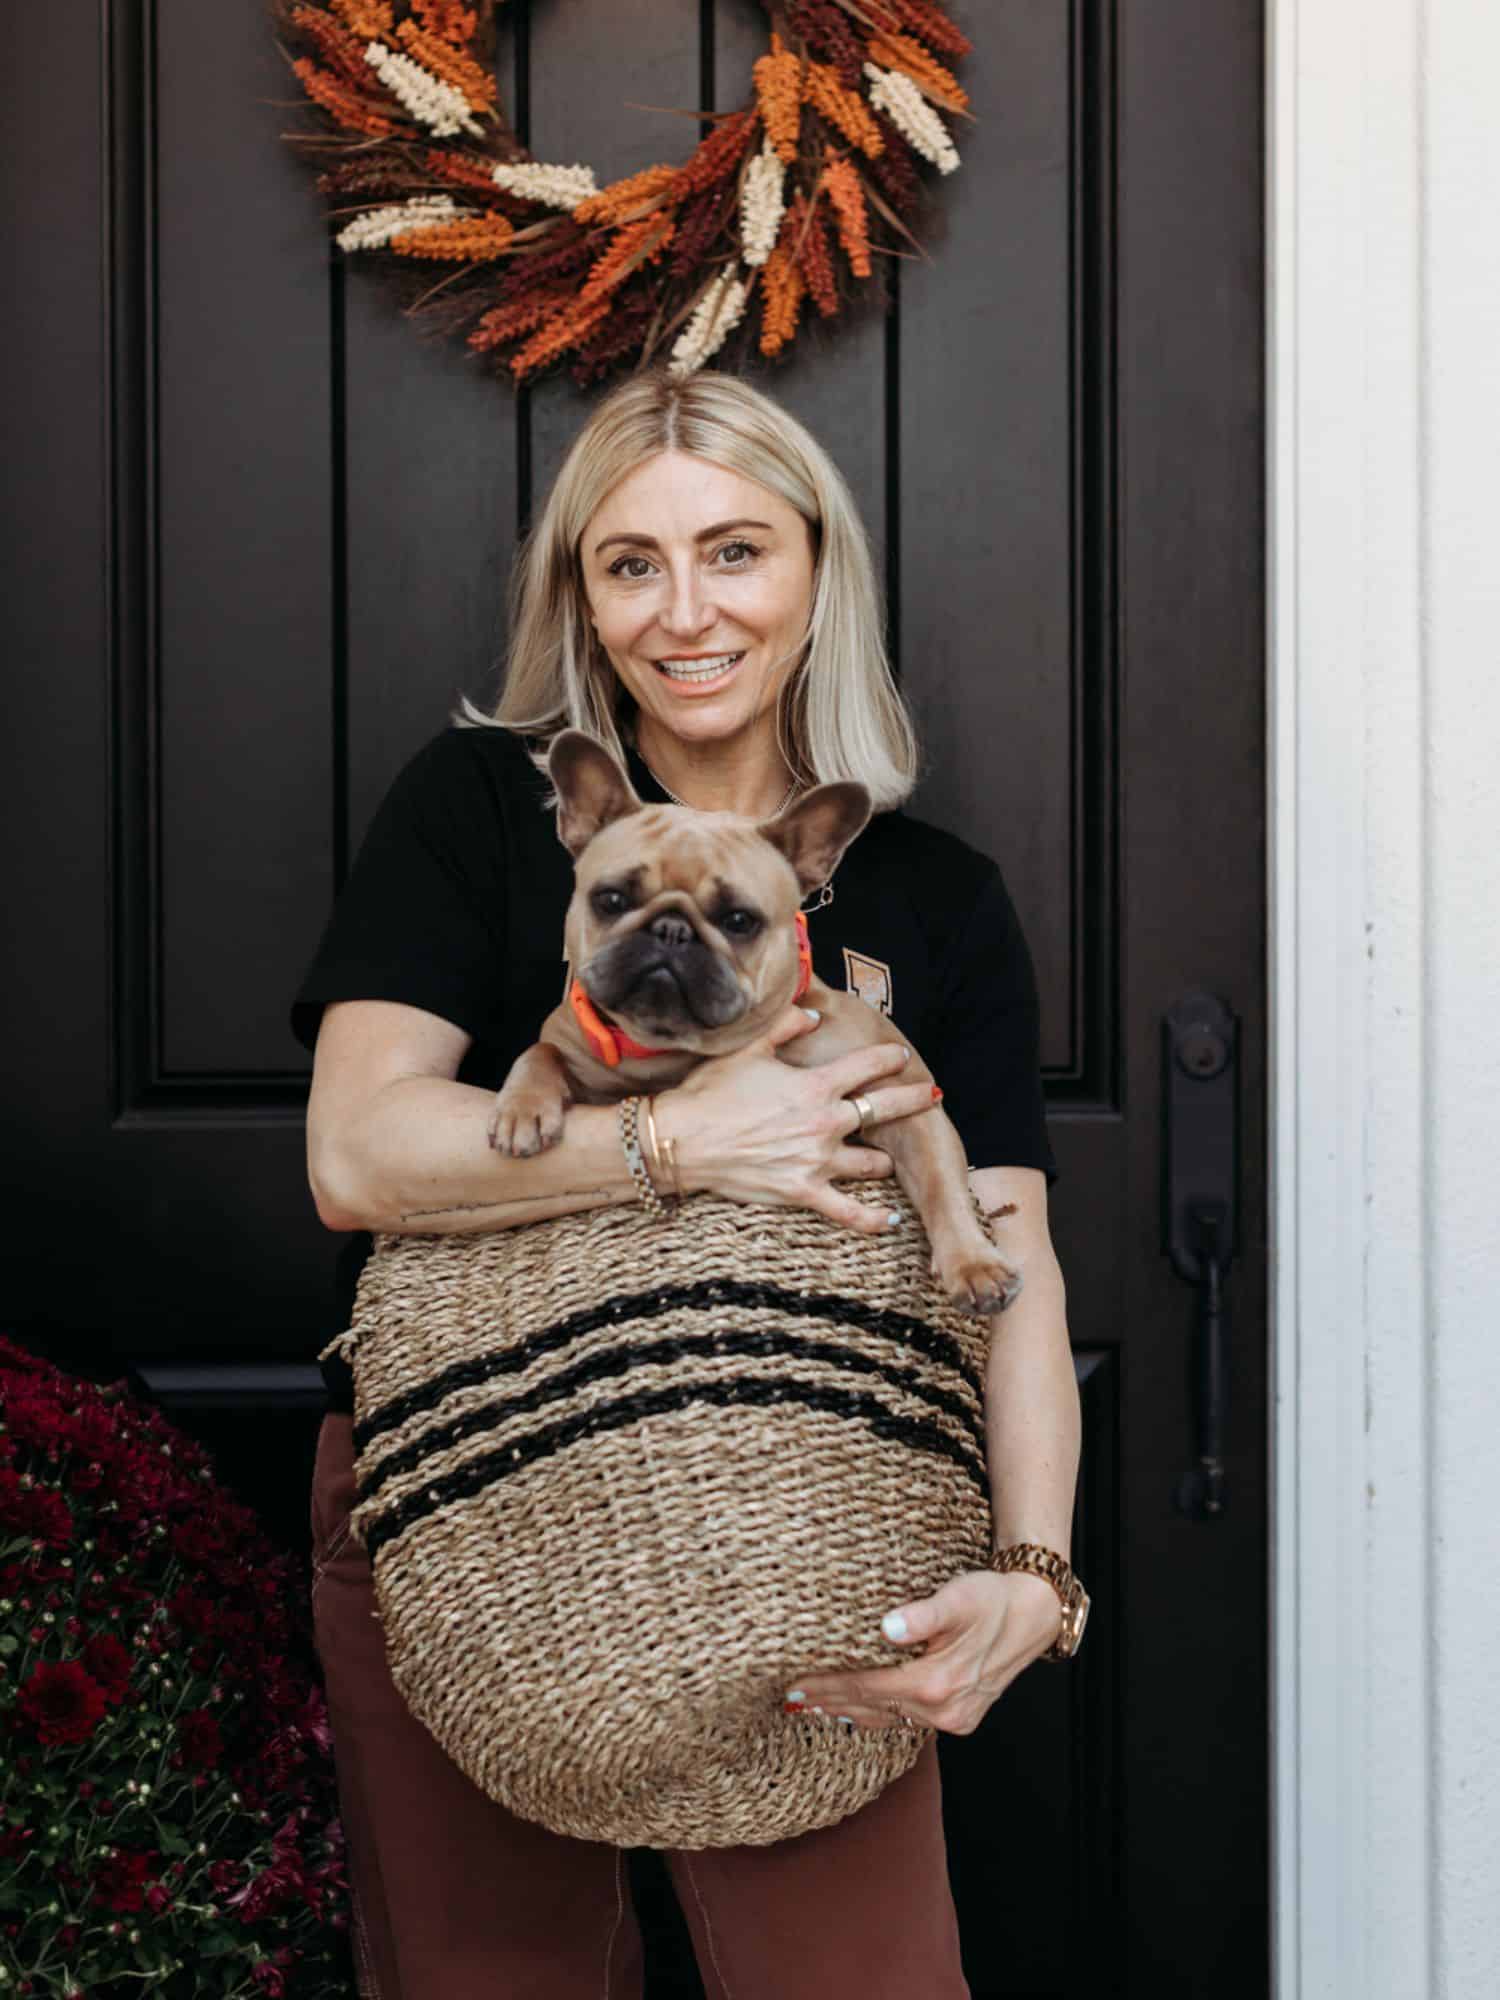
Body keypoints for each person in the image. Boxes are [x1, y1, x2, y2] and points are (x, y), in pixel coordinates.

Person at [292, 364, 1081, 1999]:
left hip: (822, 1534)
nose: (683, 611)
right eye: (628, 564)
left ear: (816, 570)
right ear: (580, 598)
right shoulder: (484, 816)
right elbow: (356, 1153)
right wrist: (682, 1142)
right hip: (471, 1506)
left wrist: (1035, 1568)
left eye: (735, 550)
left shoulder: (933, 897)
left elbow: (1011, 1254)